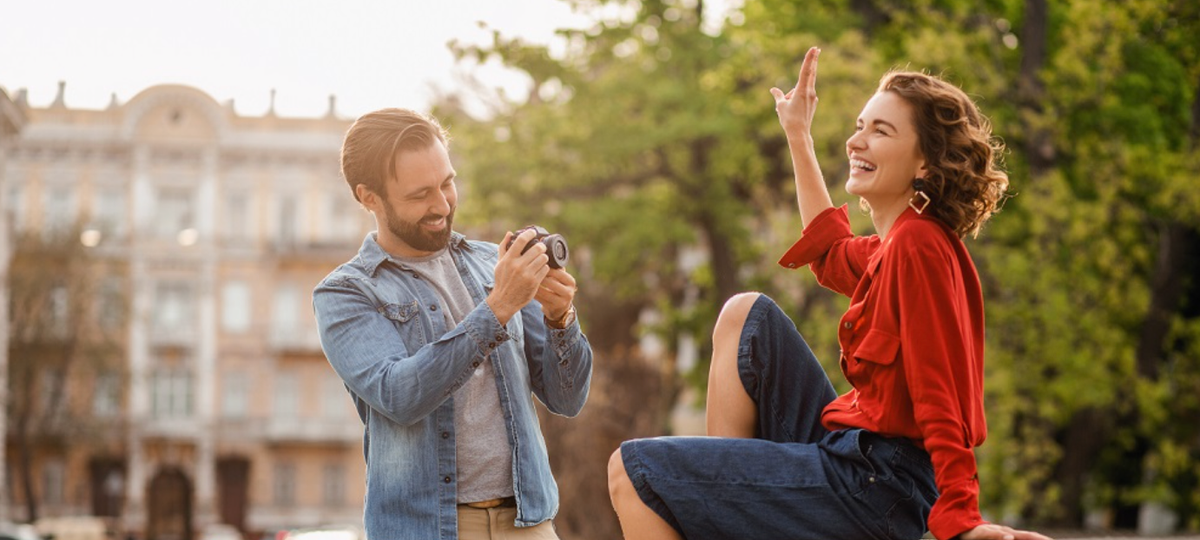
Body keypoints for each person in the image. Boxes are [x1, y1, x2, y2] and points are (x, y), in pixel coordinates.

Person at [607, 47, 1053, 540]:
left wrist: (961, 519)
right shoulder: (896, 243)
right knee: (745, 315)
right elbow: (829, 250)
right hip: (852, 454)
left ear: (924, 162)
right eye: (860, 125)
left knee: (634, 470)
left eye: (879, 131)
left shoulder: (919, 246)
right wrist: (799, 133)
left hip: (878, 486)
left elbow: (939, 391)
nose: (855, 140)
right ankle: (727, 505)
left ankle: (721, 507)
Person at [314, 108, 593, 540]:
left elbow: (568, 398)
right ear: (368, 197)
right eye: (420, 194)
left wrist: (561, 320)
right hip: (428, 528)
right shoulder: (346, 293)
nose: (442, 204)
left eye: (447, 182)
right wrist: (497, 308)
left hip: (528, 521)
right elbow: (400, 394)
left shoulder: (490, 265)